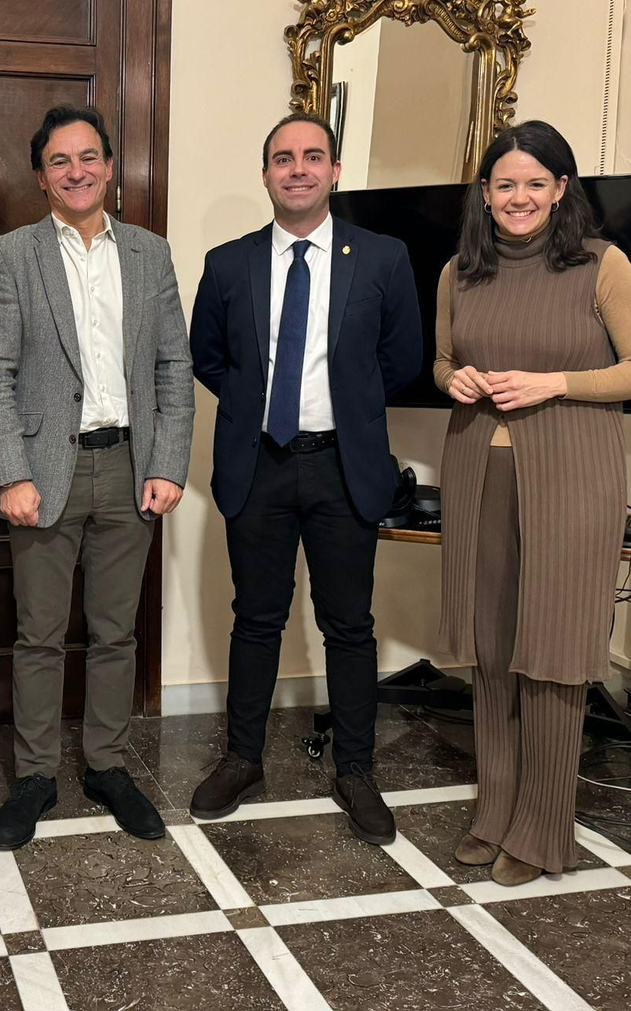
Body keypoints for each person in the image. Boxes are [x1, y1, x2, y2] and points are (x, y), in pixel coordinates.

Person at [436, 120, 631, 885]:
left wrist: (554, 383)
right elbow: (442, 359)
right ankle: (494, 809)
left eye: (536, 182)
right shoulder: (459, 271)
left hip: (572, 479)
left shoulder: (603, 265)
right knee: (493, 650)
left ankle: (542, 828)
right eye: (505, 184)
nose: (520, 196)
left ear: (562, 189)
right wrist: (453, 380)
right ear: (487, 193)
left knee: (556, 653)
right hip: (477, 473)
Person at [188, 113, 421, 843]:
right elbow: (208, 357)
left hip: (343, 467)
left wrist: (345, 407)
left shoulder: (382, 257)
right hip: (257, 463)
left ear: (335, 171)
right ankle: (242, 759)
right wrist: (262, 406)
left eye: (312, 157)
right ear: (265, 175)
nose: (297, 169)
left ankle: (355, 771)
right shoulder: (228, 264)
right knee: (256, 618)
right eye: (283, 159)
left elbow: (403, 358)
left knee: (348, 625)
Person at [0, 104, 193, 849]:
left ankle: (105, 763)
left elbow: (173, 367)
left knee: (115, 633)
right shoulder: (12, 255)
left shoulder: (149, 254)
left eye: (89, 157)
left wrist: (168, 463)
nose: (77, 171)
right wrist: (9, 471)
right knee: (37, 636)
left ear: (109, 167)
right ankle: (35, 775)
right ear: (42, 177)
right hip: (43, 473)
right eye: (61, 161)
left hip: (130, 469)